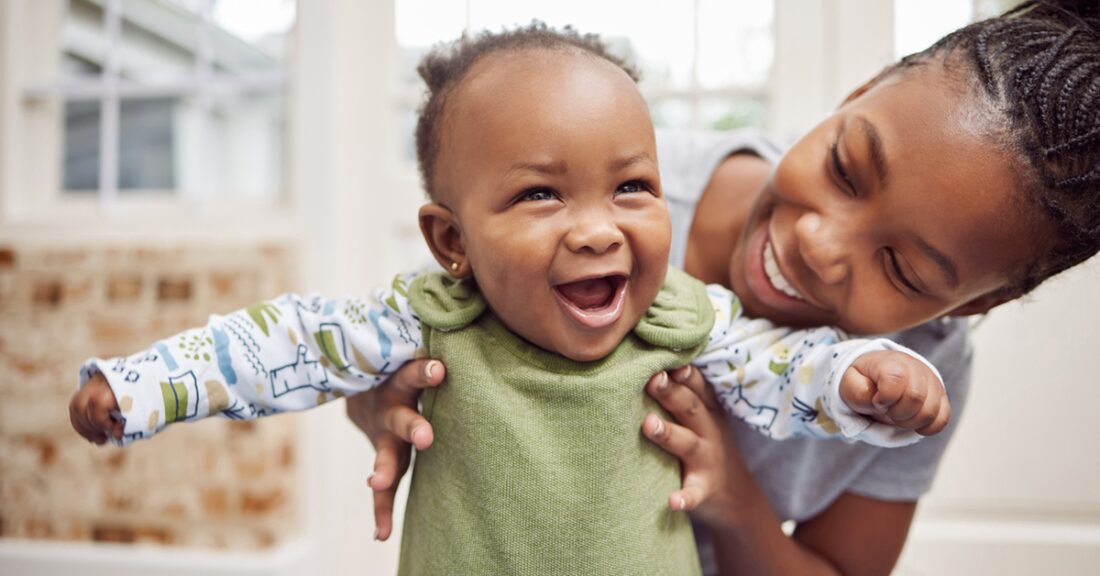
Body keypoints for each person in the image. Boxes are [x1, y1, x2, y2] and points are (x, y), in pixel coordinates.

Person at [68, 24, 952, 576]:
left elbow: (784, 369)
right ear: (452, 241)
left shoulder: (683, 317)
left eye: (632, 187)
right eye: (541, 196)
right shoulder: (424, 318)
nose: (599, 230)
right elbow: (280, 345)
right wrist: (143, 387)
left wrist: (869, 376)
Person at [349, 1, 1100, 574]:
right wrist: (381, 399)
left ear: (971, 305)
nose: (817, 242)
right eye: (844, 168)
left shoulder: (915, 374)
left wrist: (733, 500)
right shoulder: (591, 195)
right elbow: (406, 342)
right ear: (858, 93)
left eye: (901, 269)